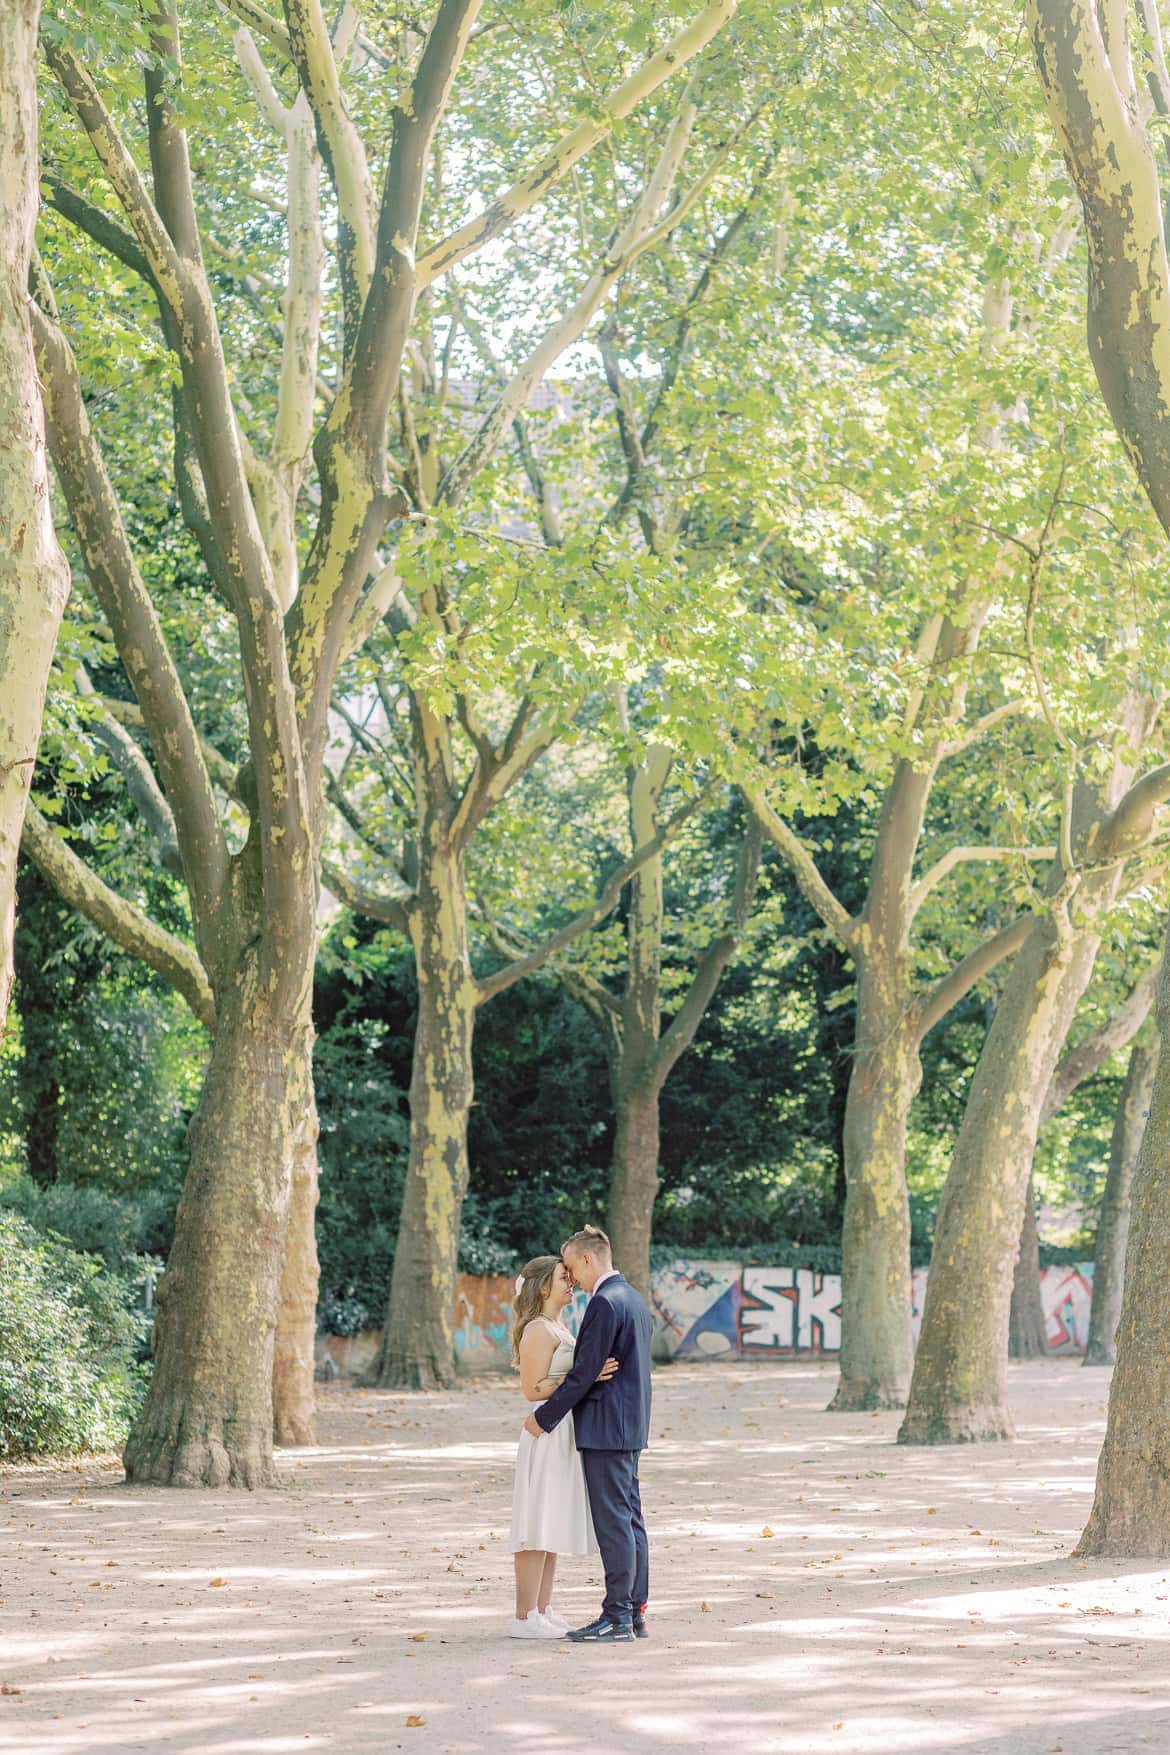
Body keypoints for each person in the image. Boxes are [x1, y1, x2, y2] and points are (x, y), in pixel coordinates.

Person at [525, 1224, 653, 1644]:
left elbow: (583, 1375)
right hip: (629, 1426)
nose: (571, 1279)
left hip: (606, 1429)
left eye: (570, 1268)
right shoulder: (632, 1298)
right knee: (631, 1519)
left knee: (614, 1523)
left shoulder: (604, 1303)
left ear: (586, 1258)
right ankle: (633, 1613)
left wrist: (545, 1418)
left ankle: (616, 1617)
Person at [507, 1253, 619, 1639]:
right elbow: (530, 1389)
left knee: (550, 1525)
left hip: (563, 1432)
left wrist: (581, 1378)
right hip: (546, 1432)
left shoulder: (559, 1326)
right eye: (562, 1277)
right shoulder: (538, 1329)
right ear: (543, 1287)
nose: (570, 1282)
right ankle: (524, 1617)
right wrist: (583, 1377)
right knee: (534, 1524)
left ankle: (543, 1608)